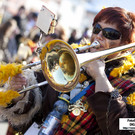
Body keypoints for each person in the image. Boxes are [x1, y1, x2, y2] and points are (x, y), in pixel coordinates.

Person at [1, 7, 135, 135]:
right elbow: (40, 100)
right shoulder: (70, 55)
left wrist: (100, 77)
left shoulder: (131, 82)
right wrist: (21, 94)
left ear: (125, 46)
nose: (99, 36)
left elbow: (127, 129)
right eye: (97, 29)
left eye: (110, 34)